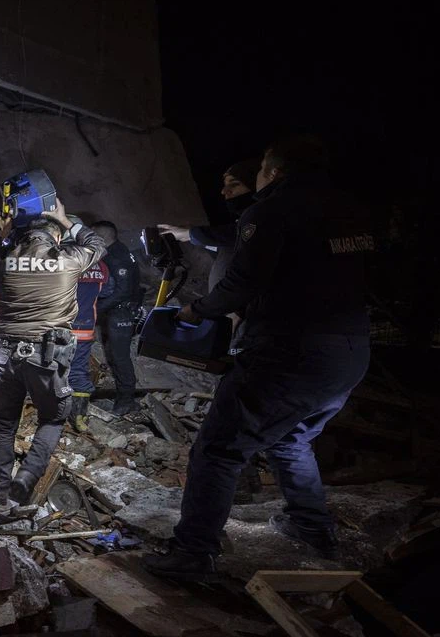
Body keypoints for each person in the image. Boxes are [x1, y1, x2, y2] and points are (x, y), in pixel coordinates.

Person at [142, 136, 373, 582]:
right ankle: (312, 526)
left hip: (289, 352)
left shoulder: (271, 211)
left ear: (275, 171)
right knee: (290, 437)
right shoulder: (349, 210)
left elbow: (242, 282)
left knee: (218, 449)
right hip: (349, 351)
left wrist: (196, 310)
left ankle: (193, 552)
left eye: (264, 168)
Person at [0, 197, 106, 506]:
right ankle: (27, 476)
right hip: (47, 354)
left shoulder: (4, 258)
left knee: (3, 423)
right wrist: (67, 221)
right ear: (56, 237)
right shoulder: (69, 259)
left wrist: (1, 235)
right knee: (53, 419)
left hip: (4, 353)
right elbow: (98, 245)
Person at [159, 157, 261, 290]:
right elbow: (226, 245)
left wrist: (191, 234)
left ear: (256, 185)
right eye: (225, 185)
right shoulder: (242, 222)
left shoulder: (262, 221)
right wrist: (193, 237)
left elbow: (237, 234)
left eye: (235, 184)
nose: (224, 191)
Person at [91, 220, 143, 415]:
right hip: (117, 311)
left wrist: (96, 309)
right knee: (114, 354)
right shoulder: (115, 251)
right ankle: (123, 396)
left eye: (93, 235)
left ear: (102, 236)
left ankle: (126, 400)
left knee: (120, 357)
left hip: (122, 313)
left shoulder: (117, 257)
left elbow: (123, 291)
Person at [68, 223, 113, 433]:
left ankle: (51, 414)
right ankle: (79, 417)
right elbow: (107, 291)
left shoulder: (66, 261)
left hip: (61, 326)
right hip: (85, 328)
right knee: (79, 371)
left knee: (51, 368)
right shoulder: (101, 266)